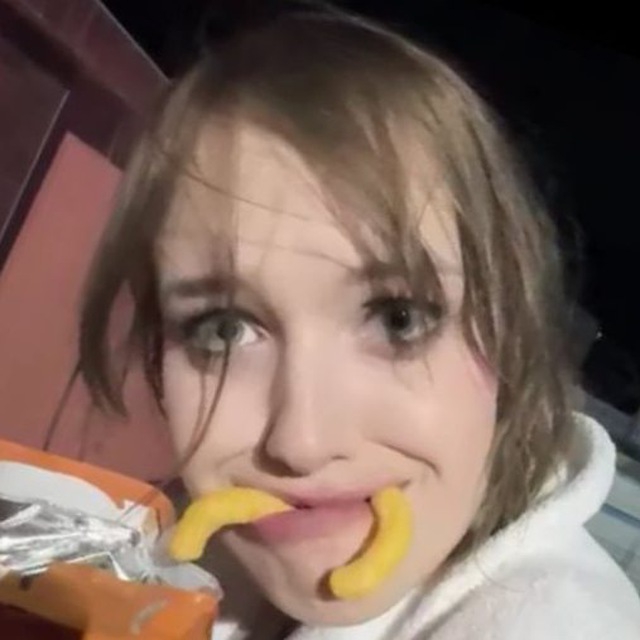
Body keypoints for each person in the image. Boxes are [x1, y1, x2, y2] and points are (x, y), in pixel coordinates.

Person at [78, 3, 640, 638]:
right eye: (224, 329)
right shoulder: (169, 549)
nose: (303, 443)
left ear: (510, 338)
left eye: (399, 320)